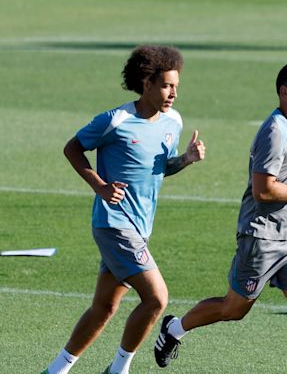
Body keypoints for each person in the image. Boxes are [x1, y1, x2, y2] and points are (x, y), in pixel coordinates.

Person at [154, 62, 287, 374]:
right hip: (262, 237)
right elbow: (263, 190)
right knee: (233, 309)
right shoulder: (275, 132)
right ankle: (174, 329)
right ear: (284, 92)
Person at [42, 45, 205, 374]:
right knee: (157, 299)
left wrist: (185, 160)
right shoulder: (116, 120)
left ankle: (56, 370)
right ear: (146, 83)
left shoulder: (173, 122)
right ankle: (119, 369)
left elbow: (161, 168)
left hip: (141, 227)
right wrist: (99, 185)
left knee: (104, 307)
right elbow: (72, 148)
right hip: (114, 225)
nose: (173, 93)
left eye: (176, 86)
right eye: (166, 85)